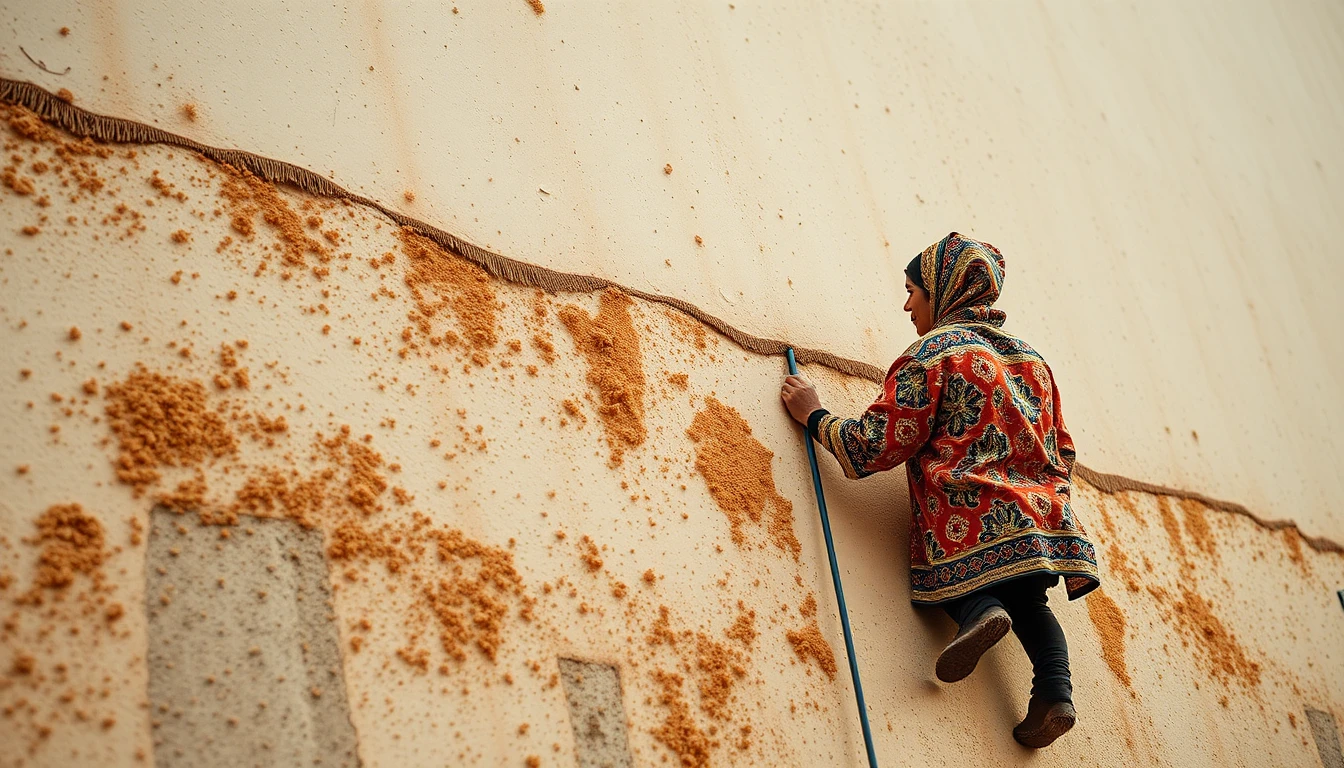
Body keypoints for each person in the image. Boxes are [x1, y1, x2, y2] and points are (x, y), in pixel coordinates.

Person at [779, 233, 1100, 749]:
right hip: (1040, 520)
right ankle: (1055, 694)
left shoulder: (934, 355)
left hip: (966, 518)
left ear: (943, 290)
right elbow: (1063, 448)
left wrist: (814, 415)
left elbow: (877, 446)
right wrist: (1039, 491)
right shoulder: (1033, 363)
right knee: (1032, 606)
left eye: (912, 290)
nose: (906, 304)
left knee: (966, 584)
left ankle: (978, 613)